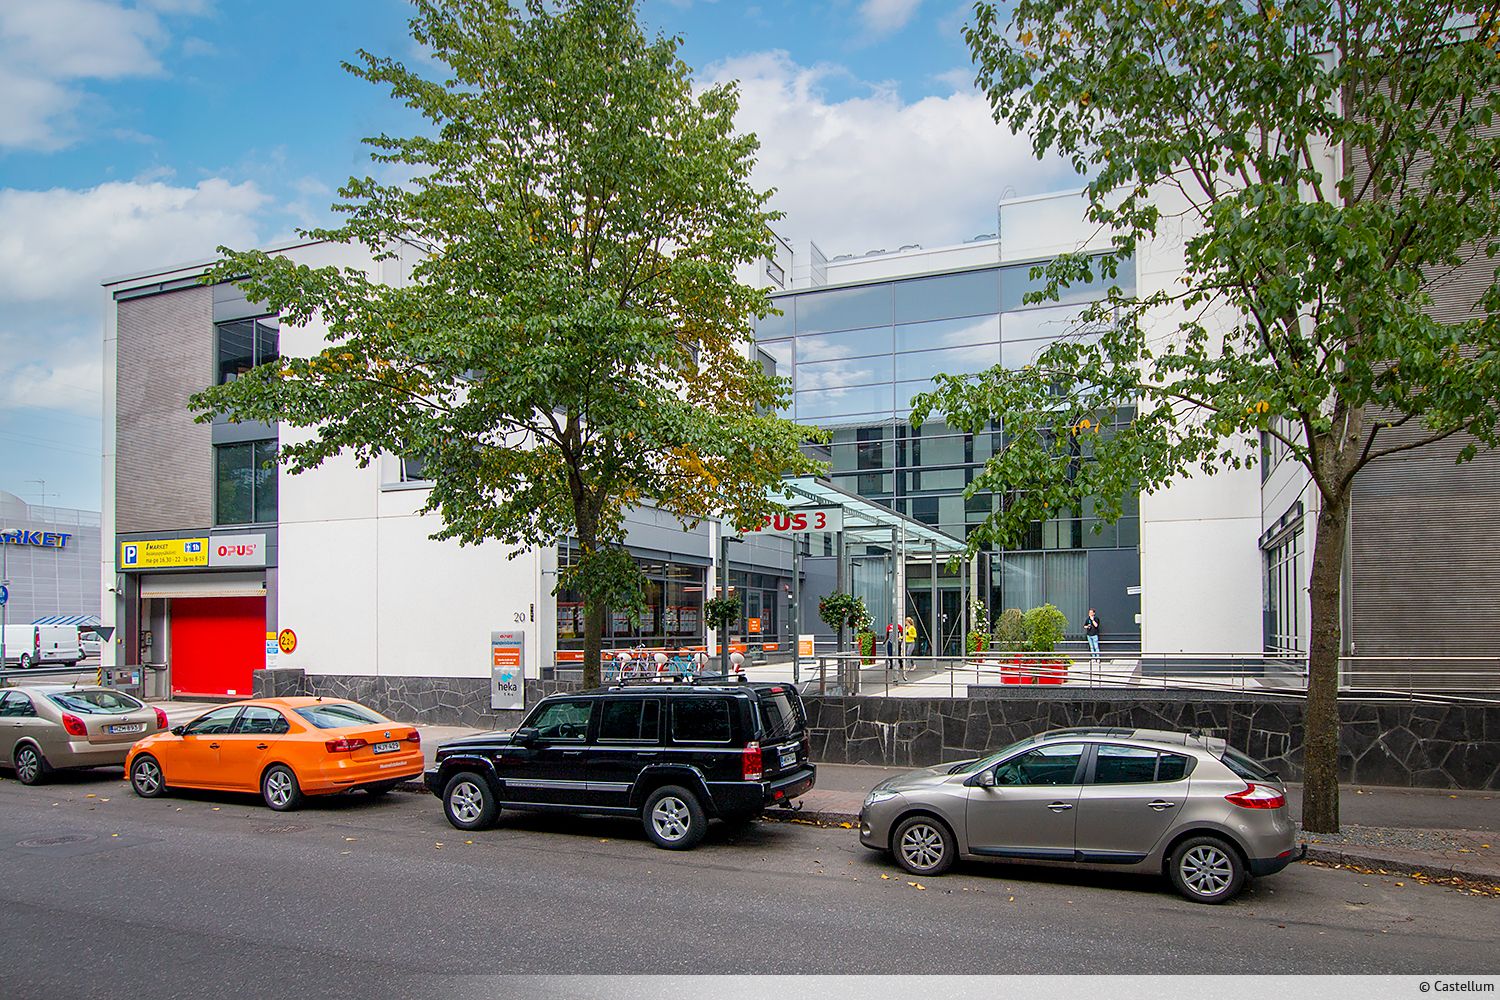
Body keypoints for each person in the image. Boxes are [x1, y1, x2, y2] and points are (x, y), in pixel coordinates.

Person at [902, 616, 917, 680]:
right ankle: (913, 664)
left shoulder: (912, 628)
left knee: (908, 653)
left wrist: (909, 635)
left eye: (906, 621)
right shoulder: (905, 628)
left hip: (911, 642)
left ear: (908, 622)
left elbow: (915, 636)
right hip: (906, 642)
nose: (905, 622)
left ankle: (908, 666)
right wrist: (900, 638)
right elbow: (904, 635)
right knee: (907, 654)